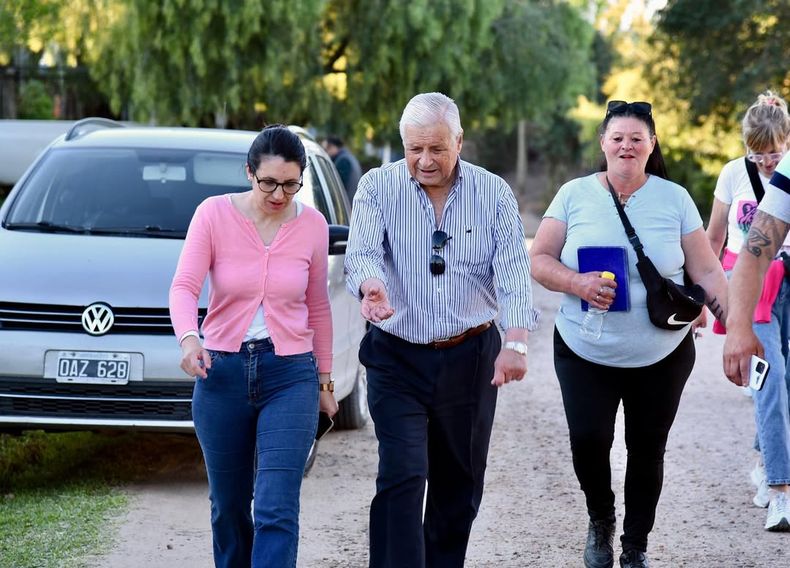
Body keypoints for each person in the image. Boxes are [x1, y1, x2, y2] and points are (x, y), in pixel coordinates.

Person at [530, 100, 728, 568]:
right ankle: (601, 519)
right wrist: (577, 283)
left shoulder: (674, 198)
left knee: (647, 450)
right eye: (617, 137)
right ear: (603, 143)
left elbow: (707, 270)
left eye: (637, 138)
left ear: (651, 145)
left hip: (661, 355)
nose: (626, 145)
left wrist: (734, 326)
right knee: (588, 441)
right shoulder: (573, 195)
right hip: (583, 350)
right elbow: (539, 260)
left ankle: (634, 545)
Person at [344, 92, 538, 568]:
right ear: (403, 143)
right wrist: (371, 287)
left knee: (460, 480)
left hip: (469, 356)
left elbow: (513, 270)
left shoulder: (493, 193)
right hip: (396, 354)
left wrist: (515, 342)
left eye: (436, 149)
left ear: (459, 142)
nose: (425, 161)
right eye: (414, 149)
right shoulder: (376, 186)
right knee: (403, 472)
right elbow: (362, 253)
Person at [169, 125, 337, 568]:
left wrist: (325, 381)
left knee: (276, 507)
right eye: (269, 183)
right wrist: (189, 340)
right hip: (220, 372)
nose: (280, 194)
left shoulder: (313, 226)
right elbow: (185, 287)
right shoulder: (212, 215)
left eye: (291, 183)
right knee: (228, 507)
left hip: (290, 375)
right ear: (248, 173)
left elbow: (317, 306)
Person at [705, 91, 790, 530]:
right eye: (757, 156)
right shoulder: (731, 175)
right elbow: (714, 238)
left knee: (784, 385)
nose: (766, 164)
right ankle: (781, 489)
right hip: (752, 283)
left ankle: (764, 458)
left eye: (774, 154)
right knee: (770, 379)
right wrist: (704, 300)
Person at [323, 135, 362, 203]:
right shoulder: (347, 156)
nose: (326, 153)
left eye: (326, 149)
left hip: (347, 203)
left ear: (332, 147)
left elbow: (337, 186)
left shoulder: (343, 160)